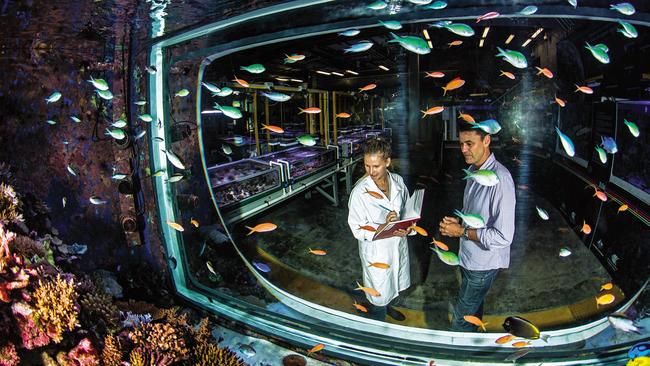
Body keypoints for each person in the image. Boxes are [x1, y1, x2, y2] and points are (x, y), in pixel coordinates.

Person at [439, 121, 516, 331]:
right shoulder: (474, 170)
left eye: (469, 143)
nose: (463, 149)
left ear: (487, 140)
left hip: (482, 265)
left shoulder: (500, 179)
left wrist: (462, 231)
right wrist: (460, 222)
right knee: (473, 312)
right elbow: (479, 217)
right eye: (461, 143)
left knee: (460, 322)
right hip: (468, 257)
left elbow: (503, 237)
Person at [347, 138, 412, 321]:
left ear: (387, 162)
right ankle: (377, 322)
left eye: (376, 166)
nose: (371, 171)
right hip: (378, 252)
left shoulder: (397, 181)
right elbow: (357, 228)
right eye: (367, 166)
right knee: (378, 293)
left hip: (397, 245)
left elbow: (407, 209)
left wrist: (407, 227)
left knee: (394, 284)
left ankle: (389, 307)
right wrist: (381, 227)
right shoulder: (360, 192)